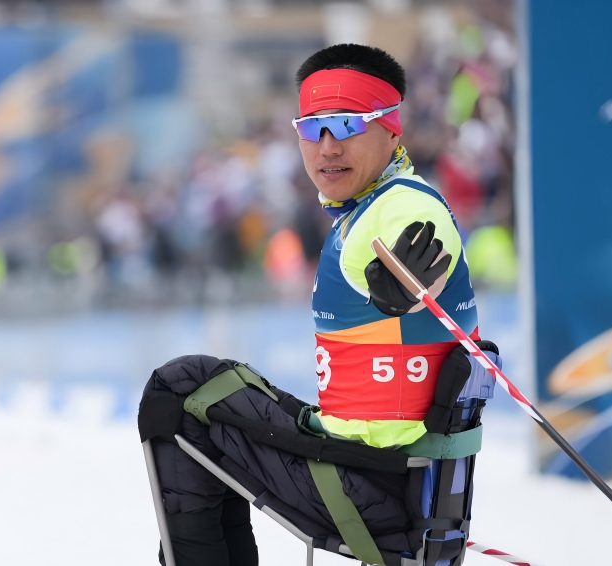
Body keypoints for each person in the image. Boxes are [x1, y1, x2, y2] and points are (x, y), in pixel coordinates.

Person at [141, 44, 482, 566]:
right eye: (312, 128)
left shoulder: (402, 203)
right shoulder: (366, 207)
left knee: (177, 390)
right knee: (203, 388)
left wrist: (406, 284)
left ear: (392, 129)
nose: (327, 147)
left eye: (346, 125)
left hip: (374, 488)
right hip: (391, 476)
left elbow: (422, 238)